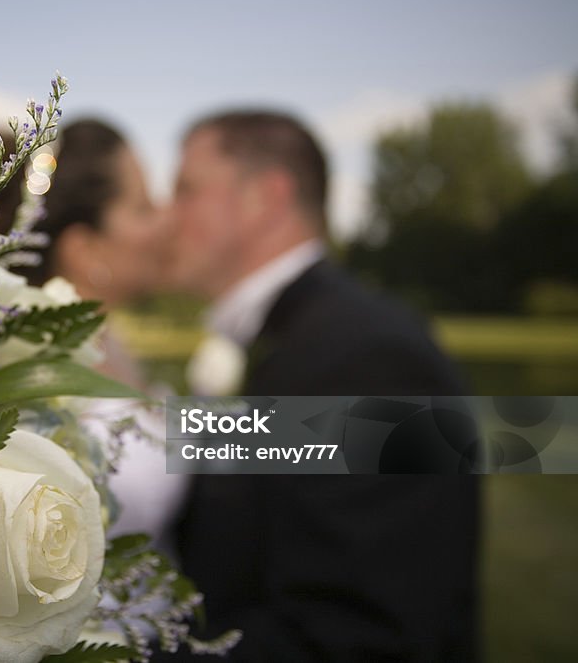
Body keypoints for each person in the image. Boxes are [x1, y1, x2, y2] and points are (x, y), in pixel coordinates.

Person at [165, 110, 479, 661]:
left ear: (265, 197)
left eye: (186, 190)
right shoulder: (288, 340)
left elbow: (363, 637)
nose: (170, 216)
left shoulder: (373, 360)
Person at [0, 119, 185, 541]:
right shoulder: (39, 386)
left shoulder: (108, 342)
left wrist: (333, 432)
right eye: (143, 208)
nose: (166, 220)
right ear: (85, 251)